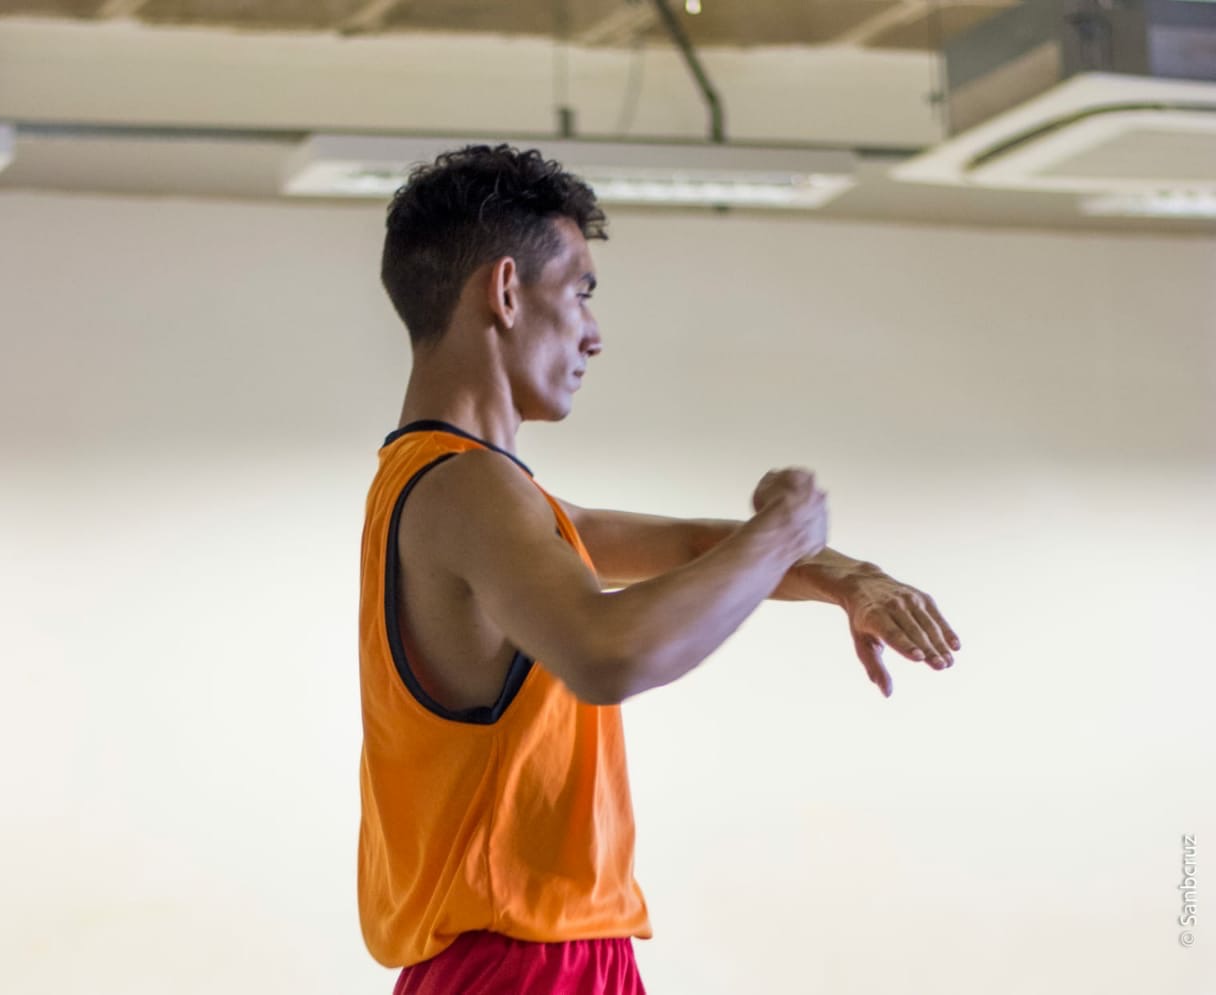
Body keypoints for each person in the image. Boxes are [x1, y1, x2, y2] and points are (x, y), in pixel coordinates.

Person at [356, 144, 961, 994]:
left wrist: (845, 576)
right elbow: (609, 652)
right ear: (505, 291)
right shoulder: (469, 489)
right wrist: (782, 531)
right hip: (522, 965)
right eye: (581, 292)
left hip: (539, 955)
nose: (594, 334)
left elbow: (682, 547)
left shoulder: (458, 488)